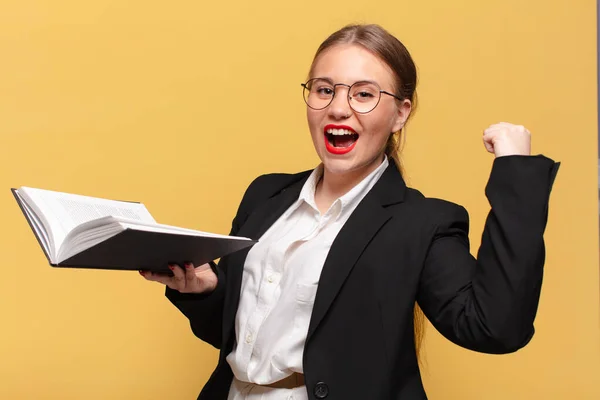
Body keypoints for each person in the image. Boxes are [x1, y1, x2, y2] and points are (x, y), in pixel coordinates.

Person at [140, 24, 560, 400]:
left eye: (363, 94)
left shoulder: (421, 223)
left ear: (401, 113)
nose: (338, 108)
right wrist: (203, 290)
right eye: (325, 89)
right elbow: (237, 337)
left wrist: (516, 172)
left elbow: (496, 328)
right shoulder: (265, 195)